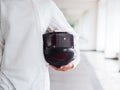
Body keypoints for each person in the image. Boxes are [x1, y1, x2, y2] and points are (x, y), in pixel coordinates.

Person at [0, 0, 80, 90]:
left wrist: (73, 62)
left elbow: (70, 35)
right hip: (7, 80)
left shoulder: (44, 4)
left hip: (34, 81)